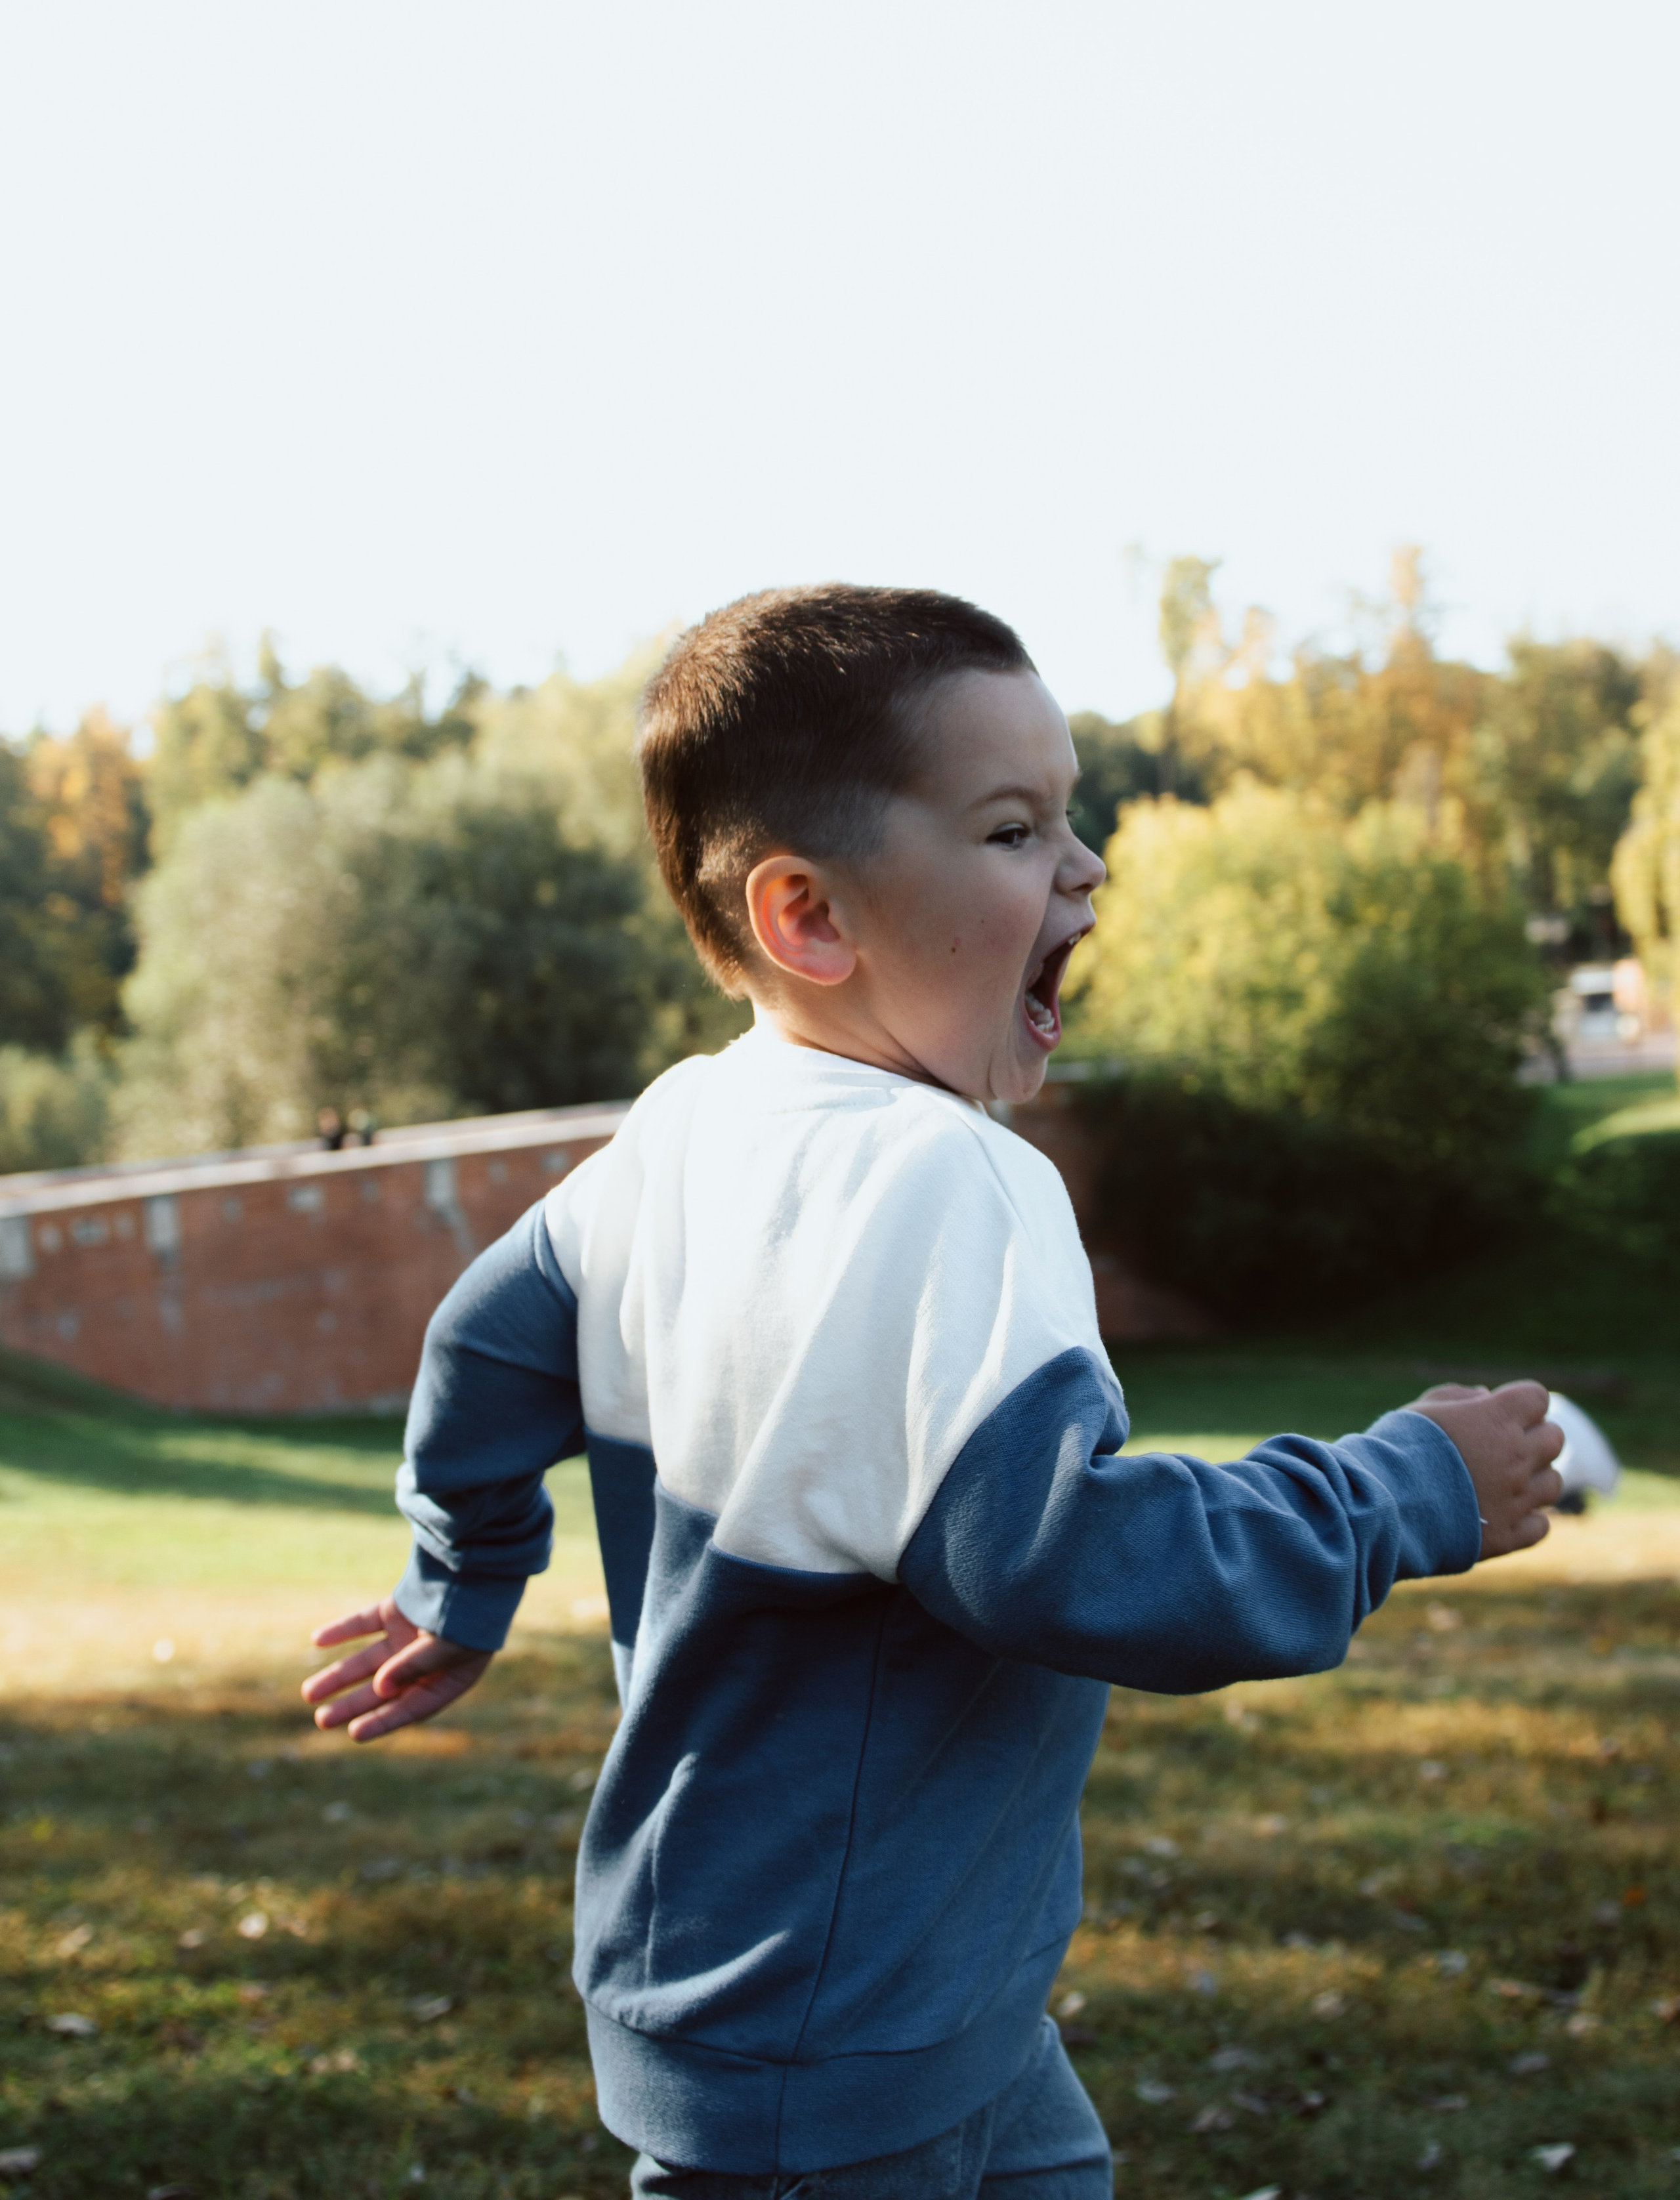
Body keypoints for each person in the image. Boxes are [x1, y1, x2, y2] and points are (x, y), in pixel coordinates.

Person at [303, 586, 1564, 2198]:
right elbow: (1069, 1561)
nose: (1084, 863)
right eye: (1012, 828)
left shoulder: (678, 1134)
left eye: (1068, 816)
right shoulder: (949, 1178)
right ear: (809, 918)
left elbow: (483, 1348)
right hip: (833, 2027)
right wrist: (1405, 1489)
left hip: (877, 1985)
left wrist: (460, 1580)